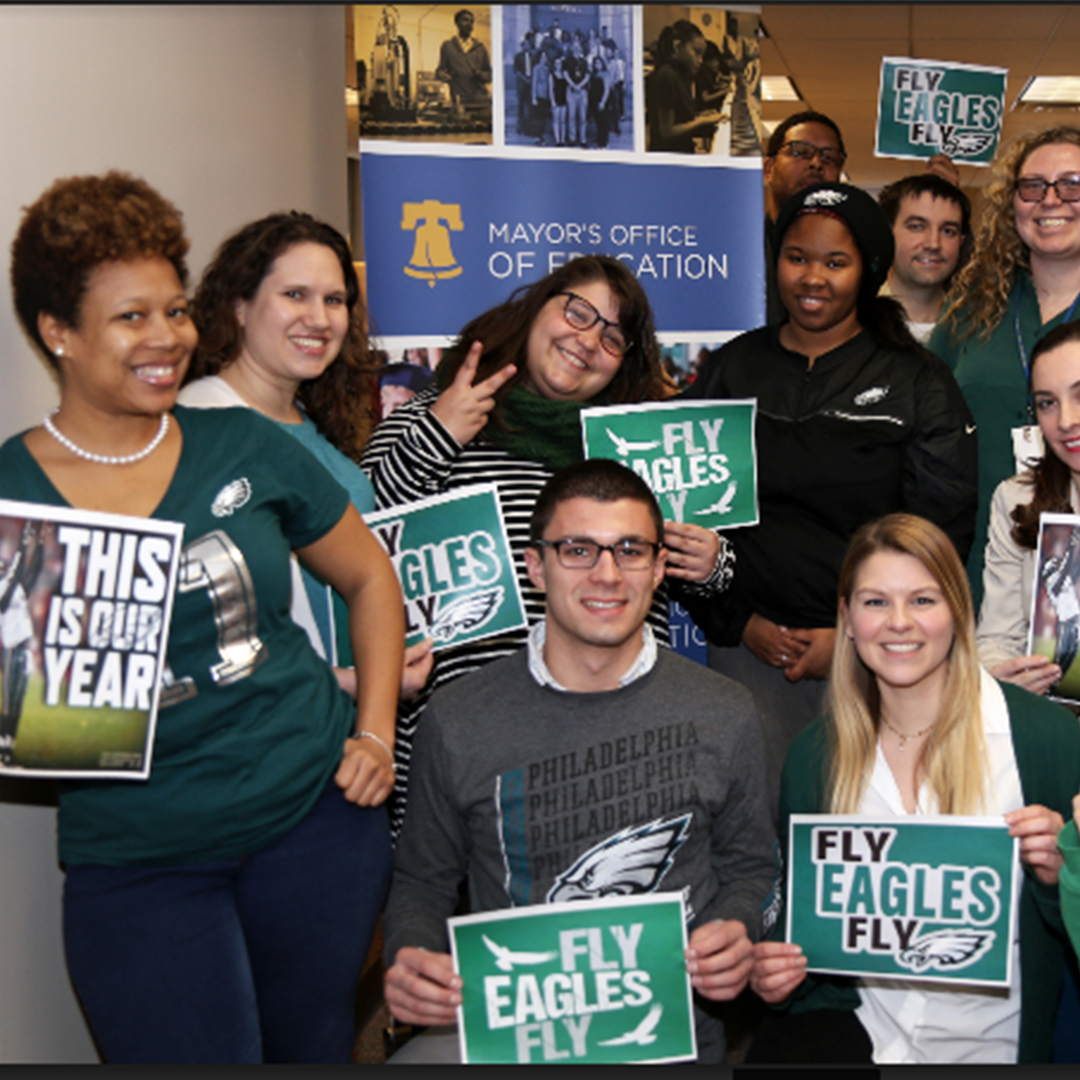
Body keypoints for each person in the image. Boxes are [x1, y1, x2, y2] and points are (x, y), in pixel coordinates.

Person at [4, 172, 404, 1062]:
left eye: (176, 311)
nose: (166, 339)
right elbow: (29, 713)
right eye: (131, 317)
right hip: (142, 858)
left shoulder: (242, 443)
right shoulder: (14, 498)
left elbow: (372, 581)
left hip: (314, 825)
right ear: (57, 333)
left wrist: (374, 735)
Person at [381, 461, 778, 1064]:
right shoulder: (457, 717)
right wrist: (409, 952)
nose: (607, 574)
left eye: (630, 550)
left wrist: (738, 926)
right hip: (515, 1039)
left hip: (674, 1041)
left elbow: (753, 868)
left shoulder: (725, 712)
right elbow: (421, 881)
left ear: (659, 569)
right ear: (534, 567)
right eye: (578, 550)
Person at [361, 256, 732, 838]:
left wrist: (714, 563)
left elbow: (698, 580)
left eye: (613, 337)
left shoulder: (636, 449)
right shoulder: (438, 412)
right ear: (536, 307)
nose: (588, 339)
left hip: (605, 745)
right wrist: (440, 432)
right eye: (577, 312)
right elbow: (358, 539)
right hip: (459, 746)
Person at [684, 182, 978, 823]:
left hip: (878, 659)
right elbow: (685, 522)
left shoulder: (916, 380)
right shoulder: (731, 370)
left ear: (869, 269)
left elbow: (941, 532)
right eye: (796, 257)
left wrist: (851, 634)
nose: (811, 277)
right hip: (749, 655)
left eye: (835, 262)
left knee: (864, 836)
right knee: (754, 837)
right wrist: (739, 622)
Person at [748, 513, 1080, 1064]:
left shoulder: (1043, 739)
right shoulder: (815, 756)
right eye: (875, 602)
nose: (899, 623)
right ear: (848, 620)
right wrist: (781, 975)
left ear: (958, 613)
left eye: (923, 600)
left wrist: (1059, 875)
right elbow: (817, 956)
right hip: (868, 1047)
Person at [178, 212, 422, 687]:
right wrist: (360, 682)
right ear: (239, 306)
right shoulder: (203, 425)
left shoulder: (314, 423)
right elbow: (205, 634)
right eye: (295, 295)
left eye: (334, 300)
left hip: (331, 723)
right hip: (270, 722)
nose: (319, 318)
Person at [931, 126, 1080, 610]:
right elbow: (926, 422)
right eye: (1033, 186)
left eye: (1072, 184)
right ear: (1011, 203)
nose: (1050, 200)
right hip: (972, 558)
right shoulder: (971, 307)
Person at [976, 321, 1080, 694]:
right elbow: (994, 640)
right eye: (1047, 403)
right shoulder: (1017, 500)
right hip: (1054, 720)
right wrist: (1006, 678)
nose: (1066, 421)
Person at [878, 173, 972, 343]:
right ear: (886, 233)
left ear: (961, 241)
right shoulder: (852, 321)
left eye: (948, 231)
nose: (933, 244)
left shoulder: (976, 327)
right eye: (917, 227)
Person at [0, 520, 45, 765]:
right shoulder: (4, 590)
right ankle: (2, 745)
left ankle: (9, 747)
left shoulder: (15, 586)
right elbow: (6, 597)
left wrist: (36, 546)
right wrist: (21, 548)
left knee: (18, 701)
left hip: (24, 648)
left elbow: (34, 572)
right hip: (9, 649)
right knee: (8, 701)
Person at [646, 19, 720, 154]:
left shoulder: (680, 74)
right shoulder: (667, 75)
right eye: (696, 52)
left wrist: (698, 115)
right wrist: (702, 121)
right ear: (678, 47)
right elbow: (667, 132)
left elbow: (679, 116)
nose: (700, 60)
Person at [436, 9, 491, 113]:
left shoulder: (480, 48)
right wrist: (443, 75)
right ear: (457, 23)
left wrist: (480, 74)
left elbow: (490, 75)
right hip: (460, 102)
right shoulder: (448, 46)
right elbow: (440, 71)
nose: (469, 24)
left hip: (481, 102)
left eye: (471, 21)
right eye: (465, 20)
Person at [564, 40, 589, 149]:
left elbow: (587, 75)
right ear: (572, 48)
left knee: (583, 117)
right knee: (572, 116)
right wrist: (573, 85)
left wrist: (580, 86)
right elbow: (565, 74)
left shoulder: (584, 61)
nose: (576, 48)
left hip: (582, 91)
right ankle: (572, 139)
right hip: (571, 90)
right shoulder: (567, 60)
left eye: (578, 47)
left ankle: (583, 139)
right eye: (574, 47)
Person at [587, 55, 611, 149]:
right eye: (595, 63)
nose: (597, 65)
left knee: (603, 122)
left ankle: (604, 142)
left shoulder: (605, 74)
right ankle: (599, 139)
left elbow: (606, 90)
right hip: (594, 100)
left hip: (602, 100)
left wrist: (603, 102)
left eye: (599, 62)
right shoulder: (593, 75)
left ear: (602, 64)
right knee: (598, 121)